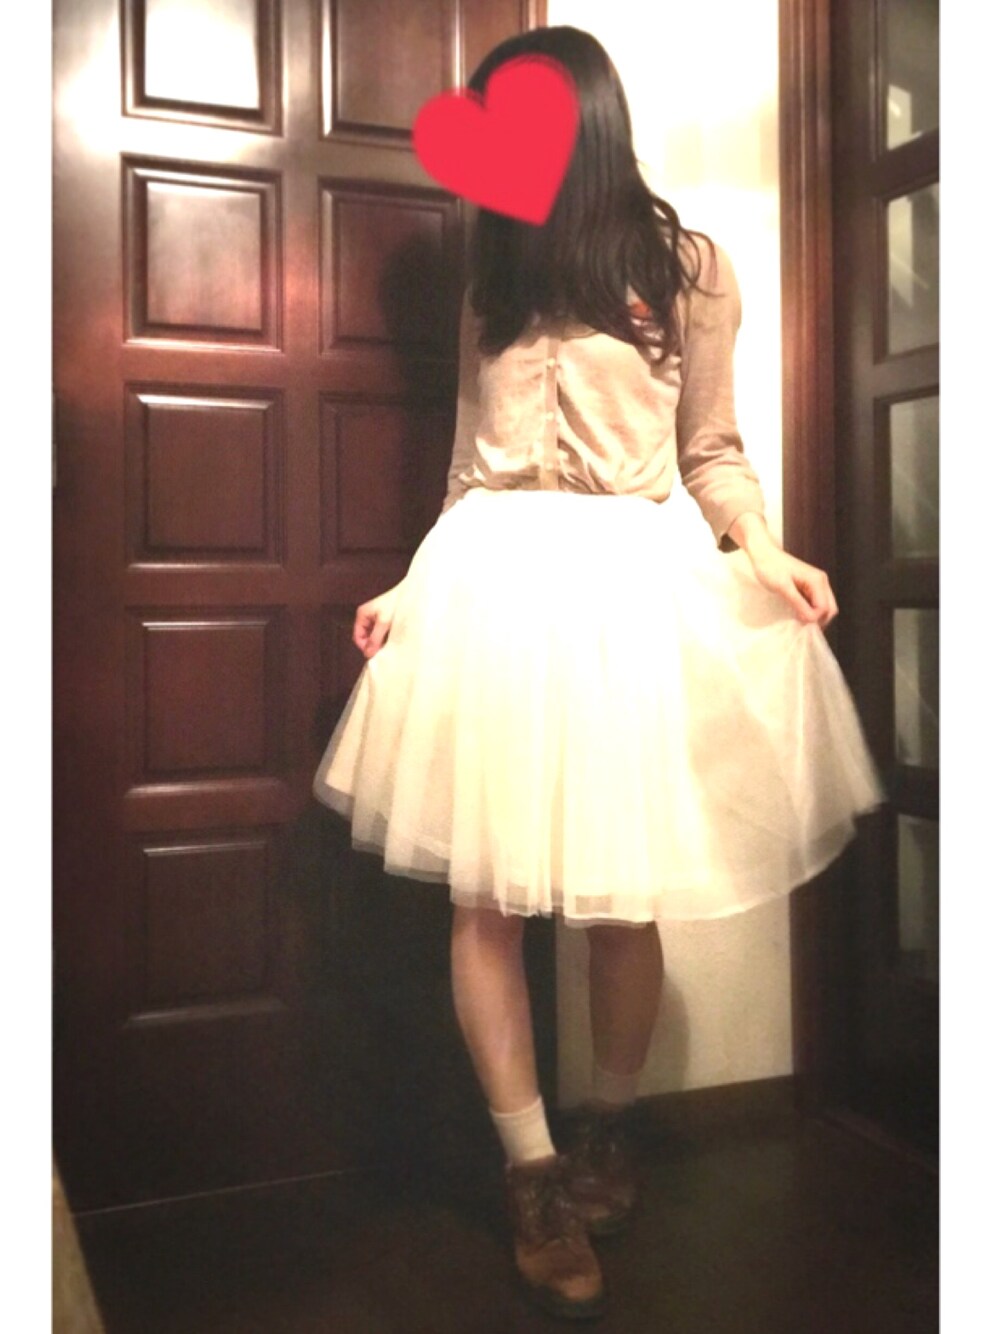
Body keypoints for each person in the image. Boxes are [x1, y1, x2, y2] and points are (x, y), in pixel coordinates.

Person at [313, 24, 885, 1323]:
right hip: (493, 585)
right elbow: (467, 465)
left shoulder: (689, 268)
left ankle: (609, 1132)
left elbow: (712, 445)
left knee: (624, 899)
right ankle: (532, 1176)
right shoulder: (494, 270)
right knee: (486, 900)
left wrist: (762, 547)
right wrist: (412, 587)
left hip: (631, 585)